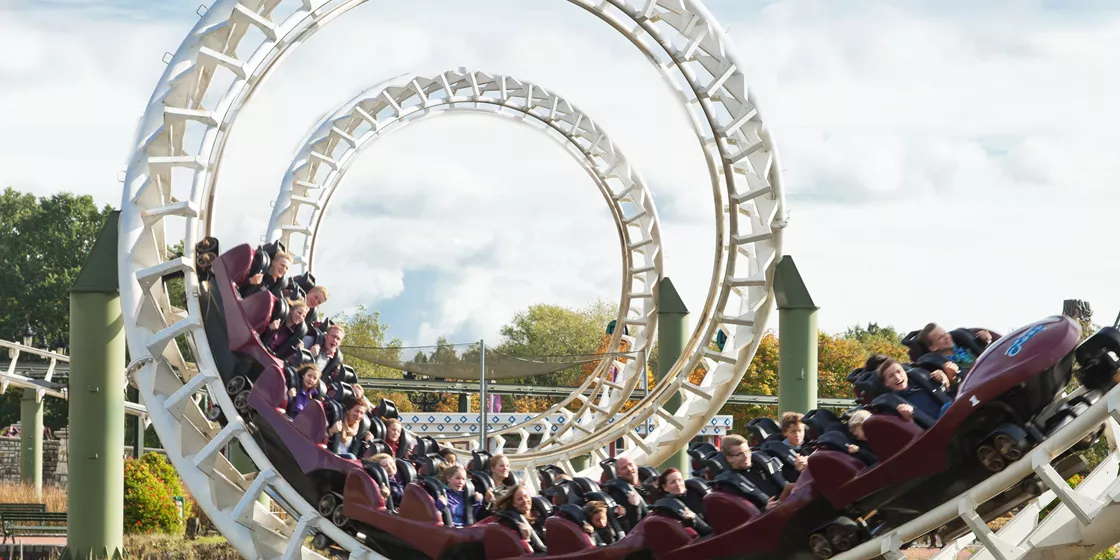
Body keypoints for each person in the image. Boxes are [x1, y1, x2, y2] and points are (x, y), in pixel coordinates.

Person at [655, 468, 713, 536]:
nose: (678, 484)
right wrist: (690, 520)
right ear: (665, 487)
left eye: (679, 480)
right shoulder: (668, 508)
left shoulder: (697, 490)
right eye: (673, 482)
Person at [492, 485, 546, 553]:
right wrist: (526, 539)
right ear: (514, 504)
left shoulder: (540, 513)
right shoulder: (513, 522)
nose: (525, 500)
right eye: (520, 499)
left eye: (526, 496)